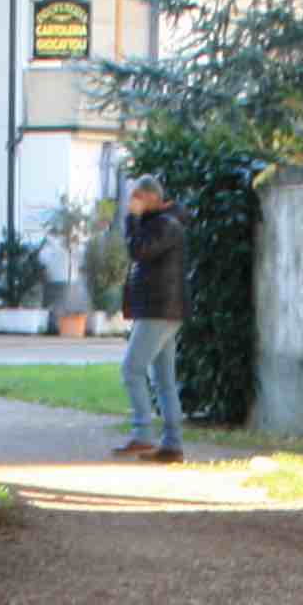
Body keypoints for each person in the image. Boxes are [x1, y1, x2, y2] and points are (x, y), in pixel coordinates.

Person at [113, 176, 186, 465]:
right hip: (163, 308)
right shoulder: (162, 222)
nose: (134, 203)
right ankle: (172, 444)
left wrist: (131, 218)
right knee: (164, 380)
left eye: (138, 197)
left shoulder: (166, 224)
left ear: (152, 197)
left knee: (131, 369)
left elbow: (138, 250)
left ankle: (144, 432)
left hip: (159, 309)